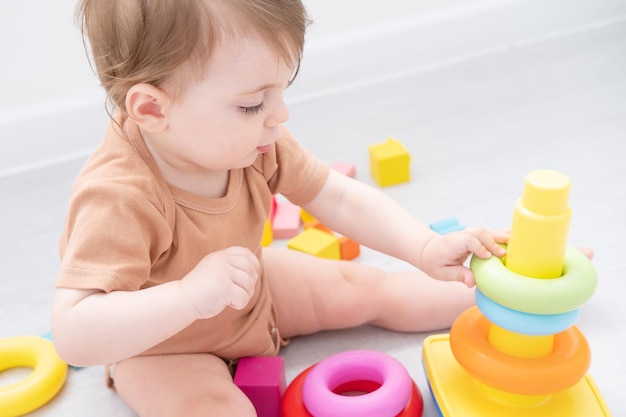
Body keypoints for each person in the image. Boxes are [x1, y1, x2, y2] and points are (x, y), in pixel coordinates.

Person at [51, 0, 507, 416]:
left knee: (363, 285)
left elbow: (338, 195)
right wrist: (189, 297)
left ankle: (505, 296)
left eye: (280, 91)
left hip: (252, 289)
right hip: (162, 349)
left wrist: (425, 247)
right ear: (152, 109)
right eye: (252, 103)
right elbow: (73, 332)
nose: (280, 113)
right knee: (214, 409)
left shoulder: (257, 141)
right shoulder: (117, 197)